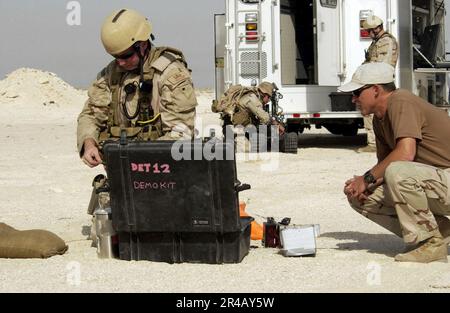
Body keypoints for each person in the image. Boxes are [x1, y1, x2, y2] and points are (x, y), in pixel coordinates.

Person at [341, 62, 450, 263]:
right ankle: (441, 233)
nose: (353, 98)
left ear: (376, 90)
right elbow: (384, 166)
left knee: (397, 172)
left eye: (357, 92)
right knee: (361, 195)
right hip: (439, 181)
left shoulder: (401, 101)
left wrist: (366, 178)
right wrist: (364, 185)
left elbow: (405, 154)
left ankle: (431, 244)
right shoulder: (379, 118)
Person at [77, 8, 197, 168]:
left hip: (162, 170)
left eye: (126, 56)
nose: (120, 63)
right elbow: (91, 114)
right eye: (115, 57)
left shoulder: (170, 74)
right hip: (120, 170)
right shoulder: (111, 74)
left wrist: (139, 159)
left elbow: (181, 133)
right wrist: (88, 142)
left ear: (142, 45)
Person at [358, 15, 399, 153]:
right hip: (376, 80)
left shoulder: (386, 41)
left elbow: (381, 64)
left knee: (374, 111)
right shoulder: (378, 41)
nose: (368, 34)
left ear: (376, 29)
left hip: (379, 81)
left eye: (369, 30)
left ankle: (373, 144)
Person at [214, 82, 284, 133]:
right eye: (269, 97)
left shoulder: (252, 95)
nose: (268, 101)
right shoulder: (252, 98)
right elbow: (264, 117)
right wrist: (277, 124)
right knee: (247, 148)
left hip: (233, 127)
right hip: (234, 131)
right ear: (265, 95)